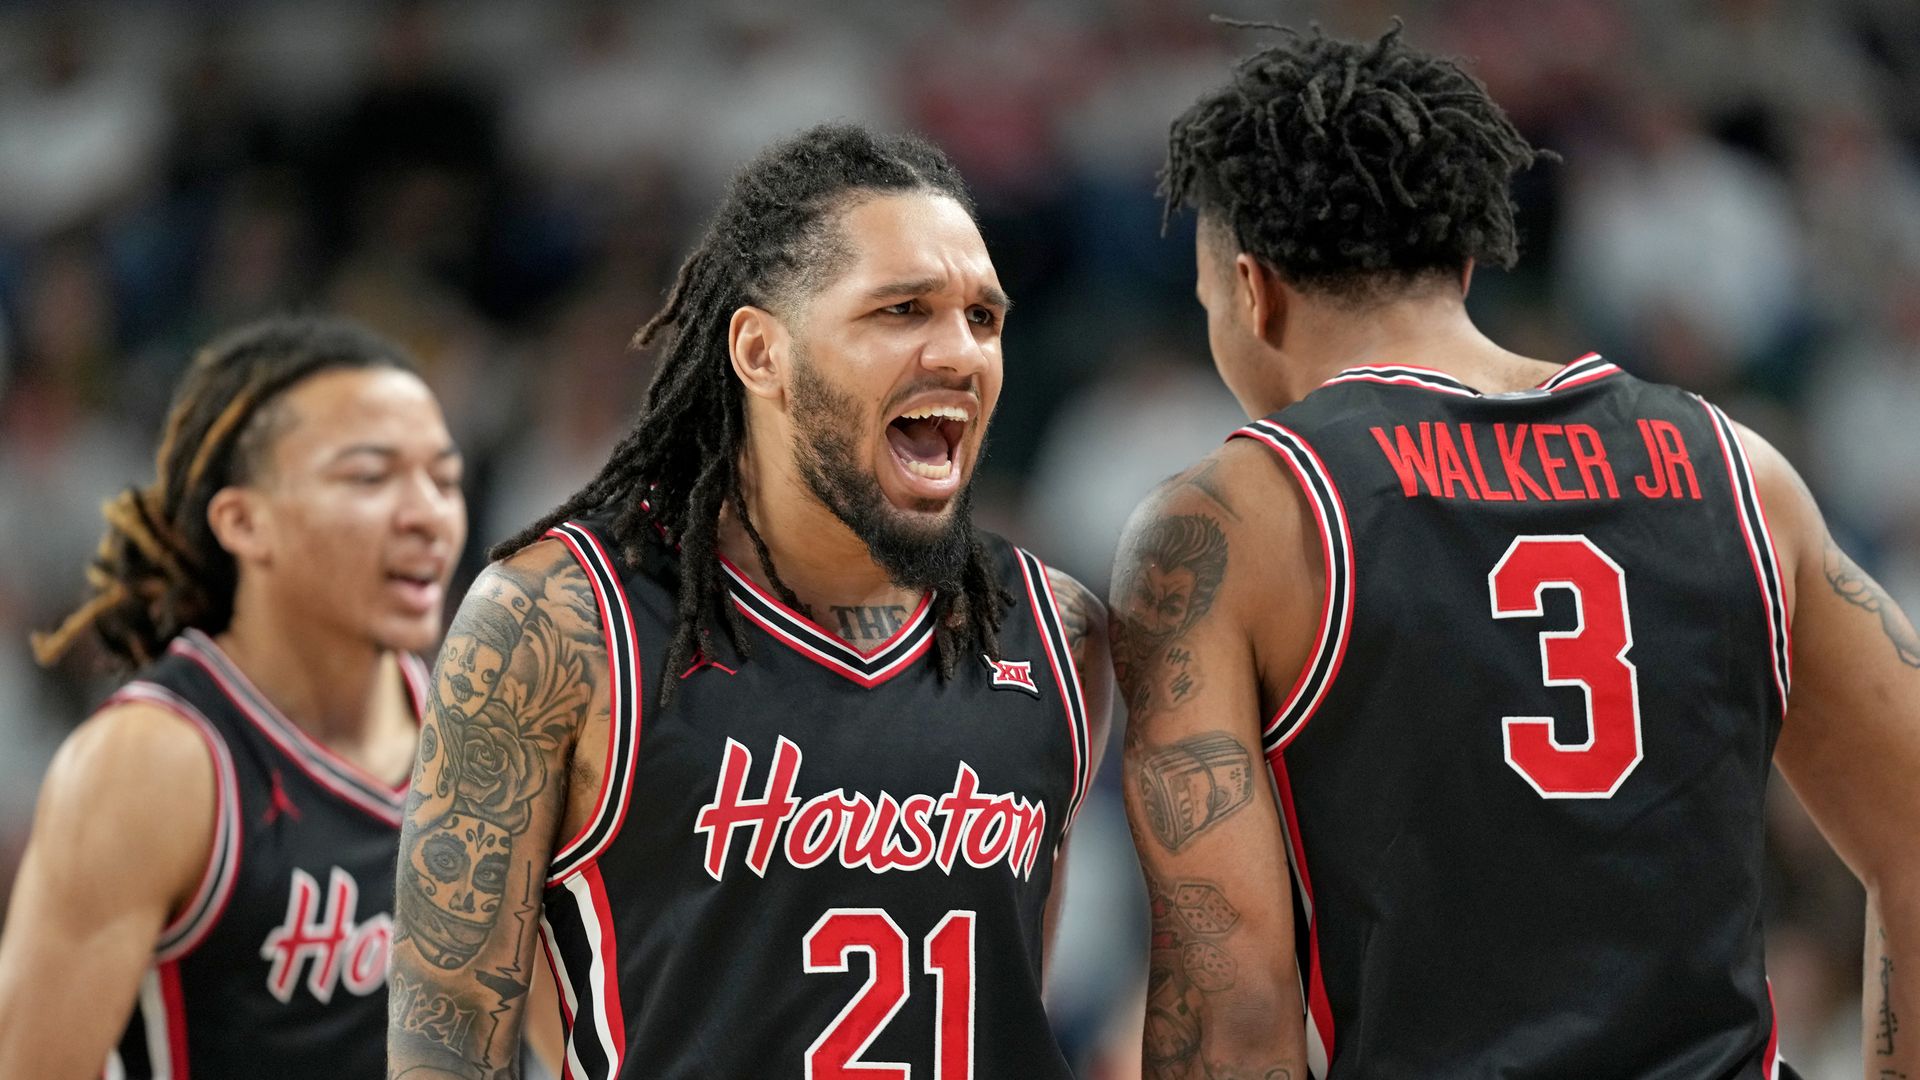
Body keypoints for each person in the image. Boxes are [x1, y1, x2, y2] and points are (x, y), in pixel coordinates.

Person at [1112, 21, 1920, 1080]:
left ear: (1253, 292)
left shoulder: (1237, 518)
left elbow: (1236, 1014)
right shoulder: (1739, 470)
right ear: (1461, 258)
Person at [387, 123, 1113, 1080]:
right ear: (761, 352)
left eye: (984, 317)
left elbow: (1009, 998)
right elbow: (443, 1051)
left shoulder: (1056, 632)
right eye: (903, 310)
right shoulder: (560, 624)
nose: (961, 353)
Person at [0, 317, 468, 1078]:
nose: (426, 515)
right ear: (245, 521)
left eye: (444, 480)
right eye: (369, 478)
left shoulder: (483, 735)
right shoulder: (154, 765)